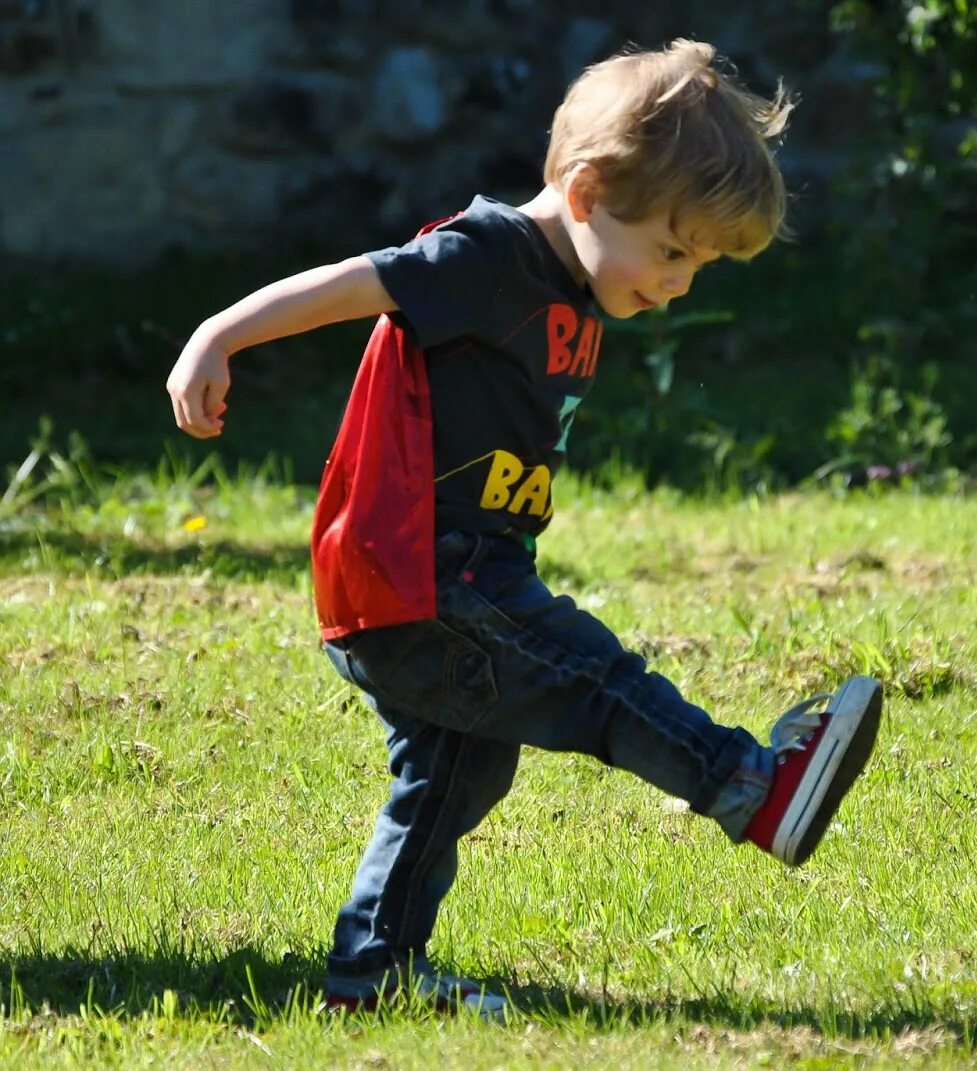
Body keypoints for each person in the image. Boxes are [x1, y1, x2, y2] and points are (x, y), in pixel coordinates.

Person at [164, 39, 882, 1020]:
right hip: (432, 581)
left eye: (699, 265)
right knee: (599, 683)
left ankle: (372, 974)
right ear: (585, 195)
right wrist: (216, 337)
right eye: (673, 251)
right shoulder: (487, 255)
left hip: (434, 586)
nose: (678, 283)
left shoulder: (576, 277)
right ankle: (750, 791)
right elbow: (350, 281)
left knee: (453, 777)